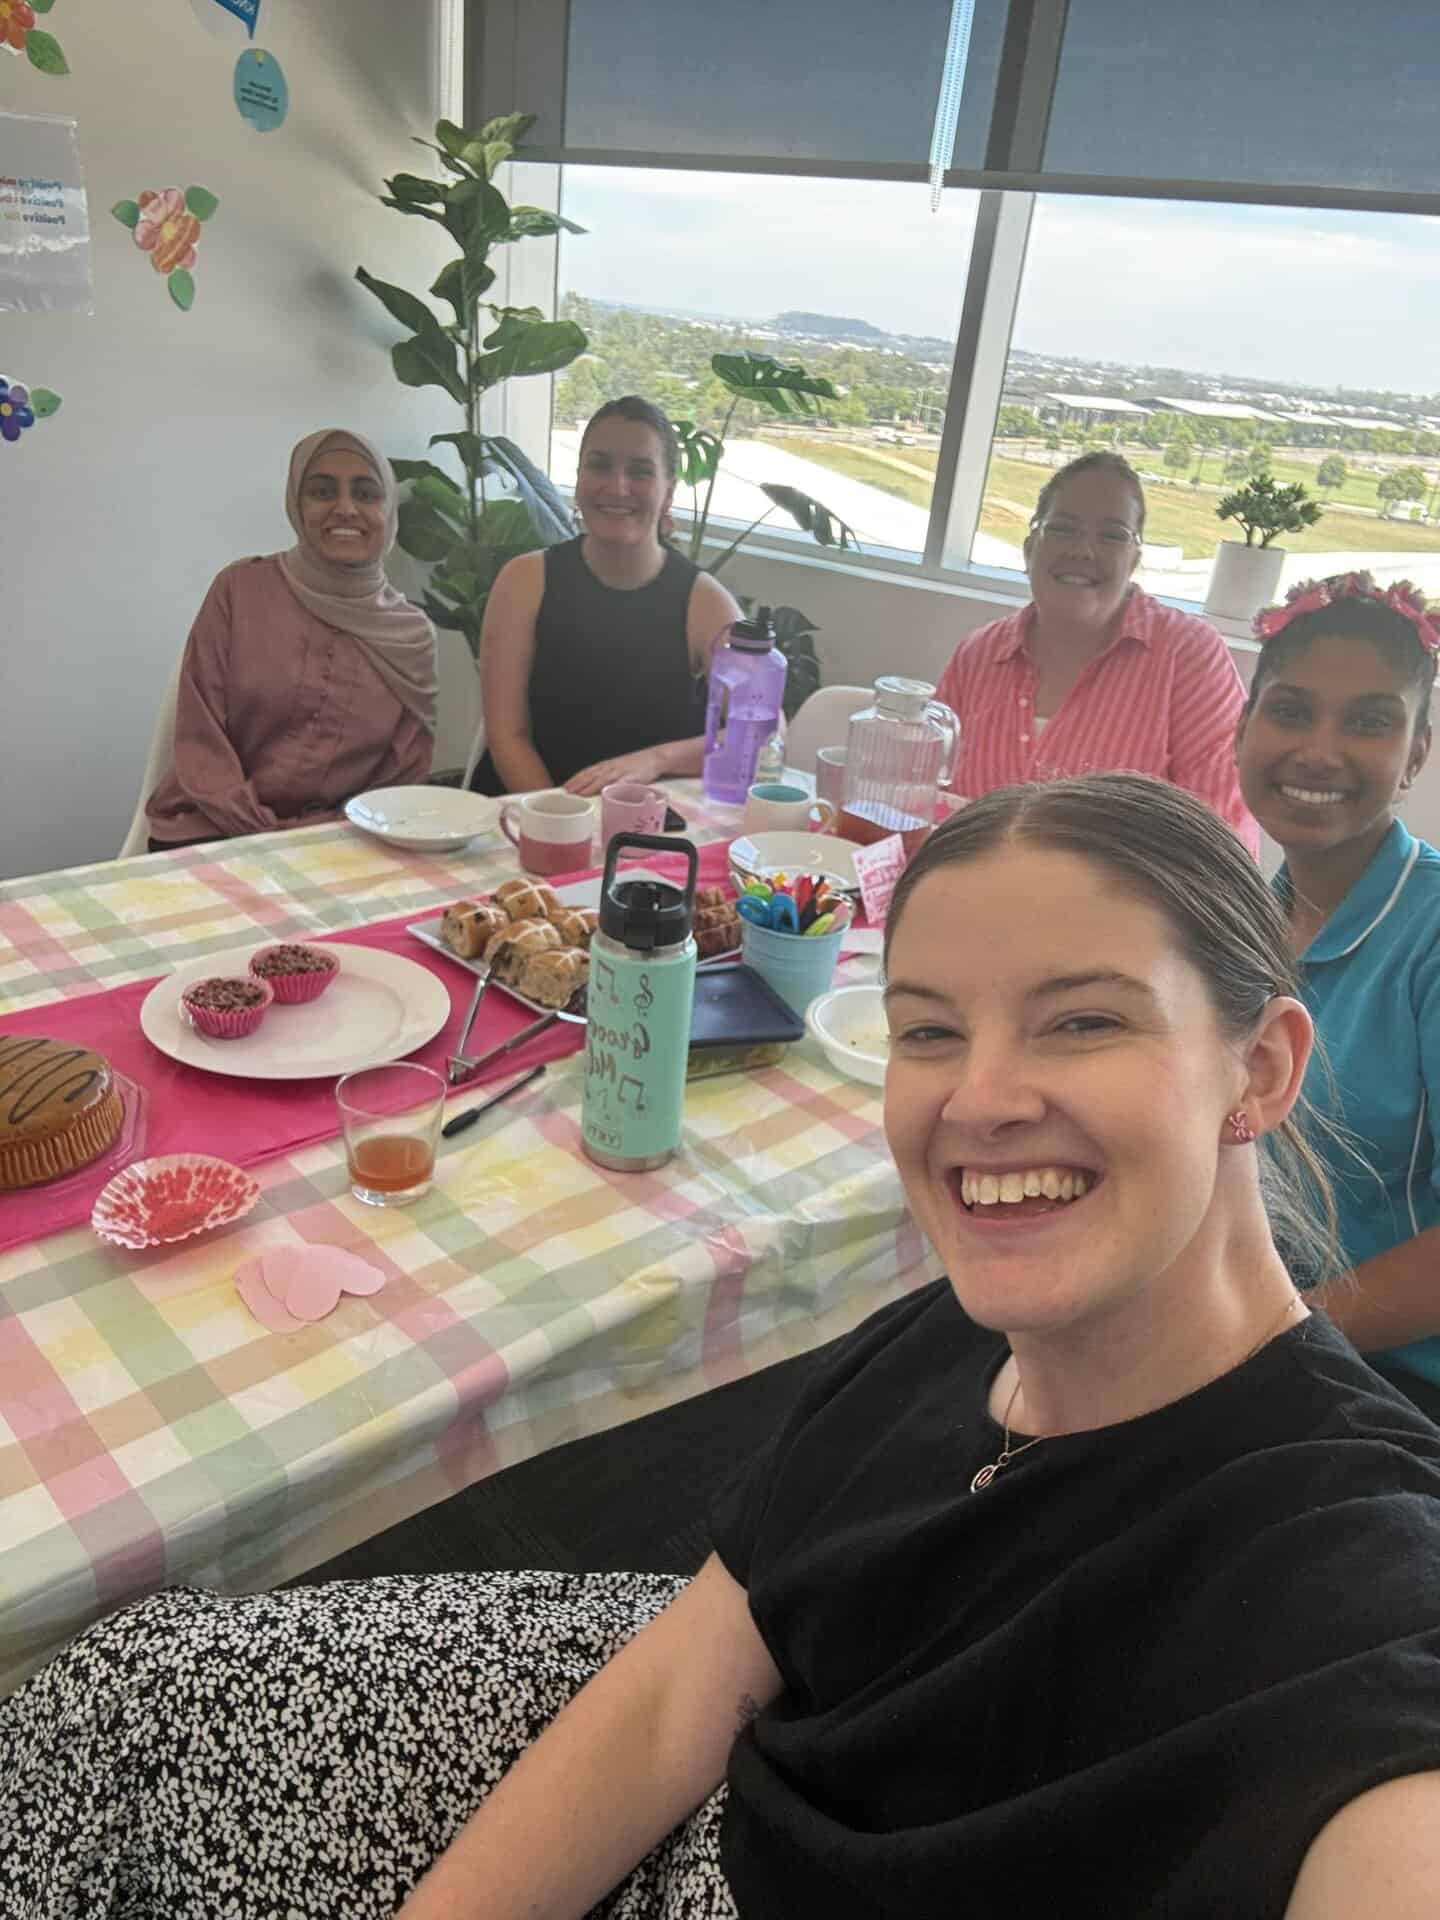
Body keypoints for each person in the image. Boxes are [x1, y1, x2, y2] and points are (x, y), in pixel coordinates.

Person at [9, 776, 1440, 1918]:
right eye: (930, 1032)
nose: (980, 1099)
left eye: (1082, 1020)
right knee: (111, 1692)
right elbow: (683, 1685)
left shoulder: (1346, 1579)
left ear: (1259, 1067)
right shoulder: (944, 1336)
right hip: (732, 1772)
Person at [1235, 571, 1440, 1417]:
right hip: (1263, 1313)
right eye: (1290, 710)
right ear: (1244, 725)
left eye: (1369, 722)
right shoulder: (1250, 917)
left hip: (1392, 1379)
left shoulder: (1428, 936)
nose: (1319, 751)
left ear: (1416, 754)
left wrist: (1261, 1337)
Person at [936, 450, 1260, 854]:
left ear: (1134, 559)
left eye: (1111, 535)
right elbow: (924, 797)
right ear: (1029, 547)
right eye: (1062, 529)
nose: (1083, 551)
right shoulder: (977, 655)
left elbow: (1219, 837)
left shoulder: (1189, 656)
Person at [145, 429, 437, 849]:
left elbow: (400, 778)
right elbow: (202, 741)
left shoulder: (411, 636)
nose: (345, 508)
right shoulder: (239, 590)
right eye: (321, 491)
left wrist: (319, 838)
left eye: (366, 493)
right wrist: (265, 835)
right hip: (212, 831)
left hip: (339, 843)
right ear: (296, 505)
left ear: (389, 508)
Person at [470, 396, 740, 799]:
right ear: (579, 478)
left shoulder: (705, 603)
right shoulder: (523, 581)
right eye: (600, 465)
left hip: (643, 820)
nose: (617, 487)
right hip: (527, 809)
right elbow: (508, 737)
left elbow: (763, 735)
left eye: (640, 471)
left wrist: (657, 759)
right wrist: (562, 819)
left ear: (668, 492)